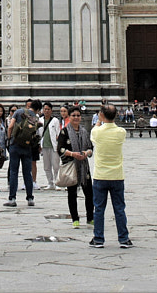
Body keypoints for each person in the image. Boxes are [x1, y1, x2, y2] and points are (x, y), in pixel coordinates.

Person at [88, 104, 130, 249]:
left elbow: (95, 129)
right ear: (116, 116)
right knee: (119, 208)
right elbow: (114, 127)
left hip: (100, 176)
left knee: (99, 209)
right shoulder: (121, 132)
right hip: (117, 176)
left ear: (101, 115)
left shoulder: (96, 132)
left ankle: (98, 239)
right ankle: (124, 239)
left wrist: (100, 121)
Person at [56, 105, 94, 229]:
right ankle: (75, 219)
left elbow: (90, 148)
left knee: (89, 193)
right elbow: (60, 149)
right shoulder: (65, 131)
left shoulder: (84, 131)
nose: (76, 117)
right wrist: (73, 154)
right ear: (69, 117)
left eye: (78, 115)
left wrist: (86, 153)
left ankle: (90, 218)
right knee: (72, 194)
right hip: (72, 166)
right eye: (73, 115)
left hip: (84, 166)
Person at [5, 99, 41, 207]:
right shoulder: (36, 117)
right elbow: (37, 134)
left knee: (13, 171)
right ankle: (30, 198)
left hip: (15, 145)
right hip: (27, 147)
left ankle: (12, 198)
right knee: (27, 172)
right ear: (38, 109)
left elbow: (11, 126)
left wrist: (9, 138)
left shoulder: (18, 112)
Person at [40, 103, 62, 190]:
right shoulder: (40, 120)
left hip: (54, 146)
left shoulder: (55, 120)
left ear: (51, 110)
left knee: (56, 165)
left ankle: (57, 182)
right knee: (46, 166)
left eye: (48, 109)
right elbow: (39, 133)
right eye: (45, 109)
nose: (46, 111)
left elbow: (58, 133)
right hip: (44, 146)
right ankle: (50, 182)